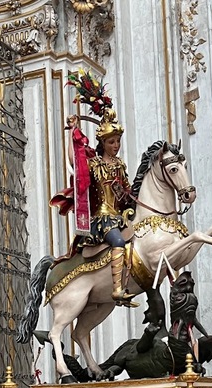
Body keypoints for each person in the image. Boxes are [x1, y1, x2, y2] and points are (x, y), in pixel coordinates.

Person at [51, 108, 138, 307]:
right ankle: (117, 289)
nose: (116, 146)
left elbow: (127, 190)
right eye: (111, 142)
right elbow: (75, 161)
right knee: (118, 241)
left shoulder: (120, 165)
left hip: (120, 217)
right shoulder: (95, 164)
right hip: (103, 219)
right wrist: (73, 133)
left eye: (118, 141)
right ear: (103, 143)